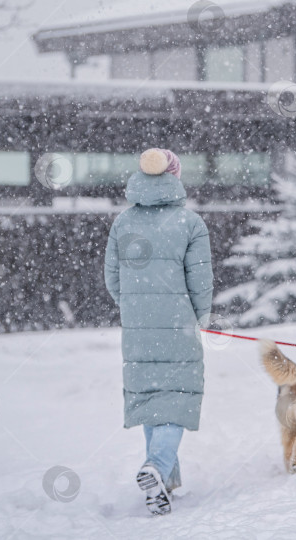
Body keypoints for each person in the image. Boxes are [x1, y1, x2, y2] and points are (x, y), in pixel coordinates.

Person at [104, 148, 213, 515]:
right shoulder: (190, 223)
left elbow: (112, 278)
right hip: (178, 322)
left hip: (136, 325)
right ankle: (158, 467)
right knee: (176, 397)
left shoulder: (123, 222)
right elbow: (200, 280)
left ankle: (163, 483)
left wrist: (134, 305)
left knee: (151, 398)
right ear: (175, 177)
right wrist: (201, 316)